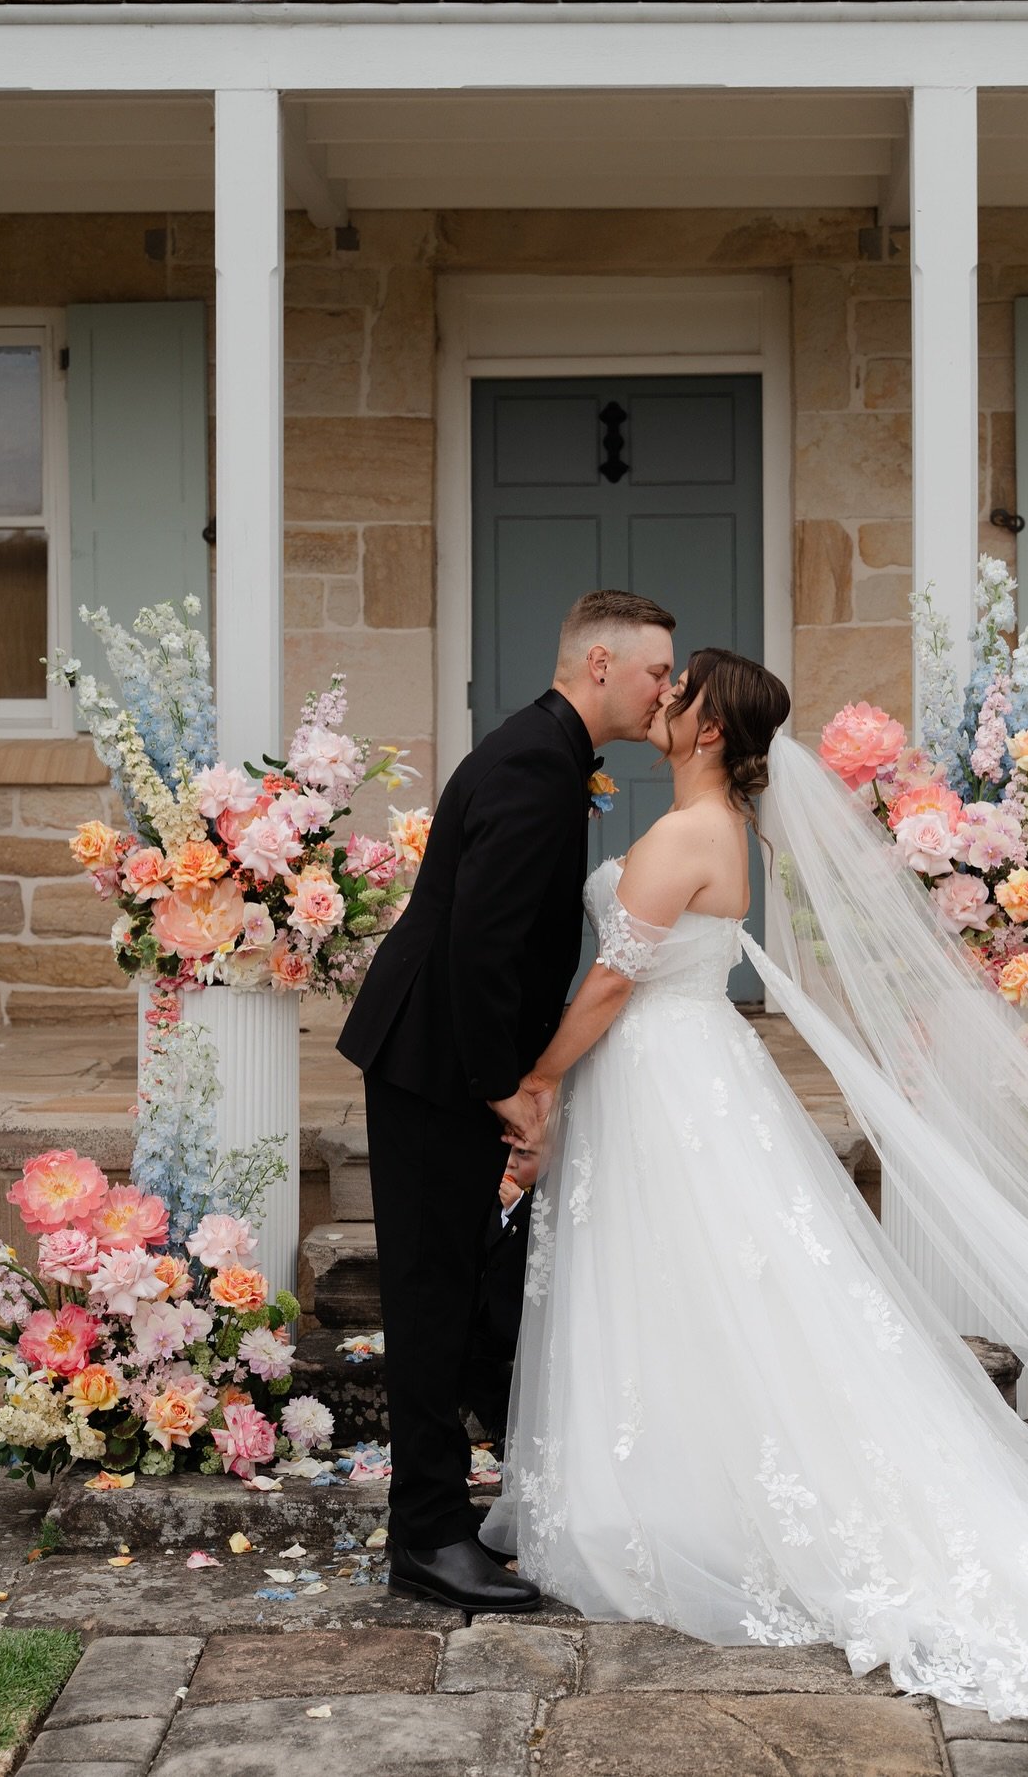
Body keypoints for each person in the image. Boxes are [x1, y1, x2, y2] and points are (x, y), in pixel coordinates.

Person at [482, 647, 1028, 1719]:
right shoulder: (715, 830)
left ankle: (695, 1510)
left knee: (710, 1282)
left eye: (680, 693)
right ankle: (679, 1491)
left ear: (711, 727)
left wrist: (536, 1077)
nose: (662, 702)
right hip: (675, 1077)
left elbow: (617, 978)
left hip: (672, 1078)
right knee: (694, 1290)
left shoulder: (685, 834)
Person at [336, 589, 675, 1613]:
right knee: (432, 1300)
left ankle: (455, 1508)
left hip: (440, 1056)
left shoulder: (543, 750)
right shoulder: (534, 766)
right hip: (437, 1061)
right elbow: (483, 948)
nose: (669, 688)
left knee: (464, 1288)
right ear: (603, 664)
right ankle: (427, 1539)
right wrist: (509, 1094)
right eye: (659, 670)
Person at [460, 1168, 533, 1461]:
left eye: (523, 1156)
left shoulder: (543, 1199)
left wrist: (520, 1208)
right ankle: (503, 1425)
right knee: (468, 1355)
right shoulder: (489, 1194)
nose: (511, 1166)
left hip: (529, 1315)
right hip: (492, 1313)